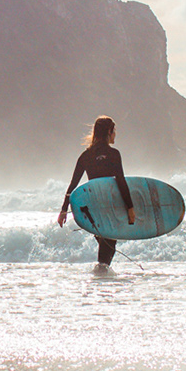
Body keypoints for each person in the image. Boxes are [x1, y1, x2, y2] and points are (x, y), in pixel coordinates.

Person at [57, 115, 136, 268]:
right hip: (109, 206)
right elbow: (121, 181)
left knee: (105, 241)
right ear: (108, 131)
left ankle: (101, 277)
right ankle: (101, 275)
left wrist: (63, 209)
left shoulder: (86, 156)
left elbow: (73, 186)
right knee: (109, 242)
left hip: (93, 208)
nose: (115, 135)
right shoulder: (114, 154)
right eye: (114, 131)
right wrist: (130, 207)